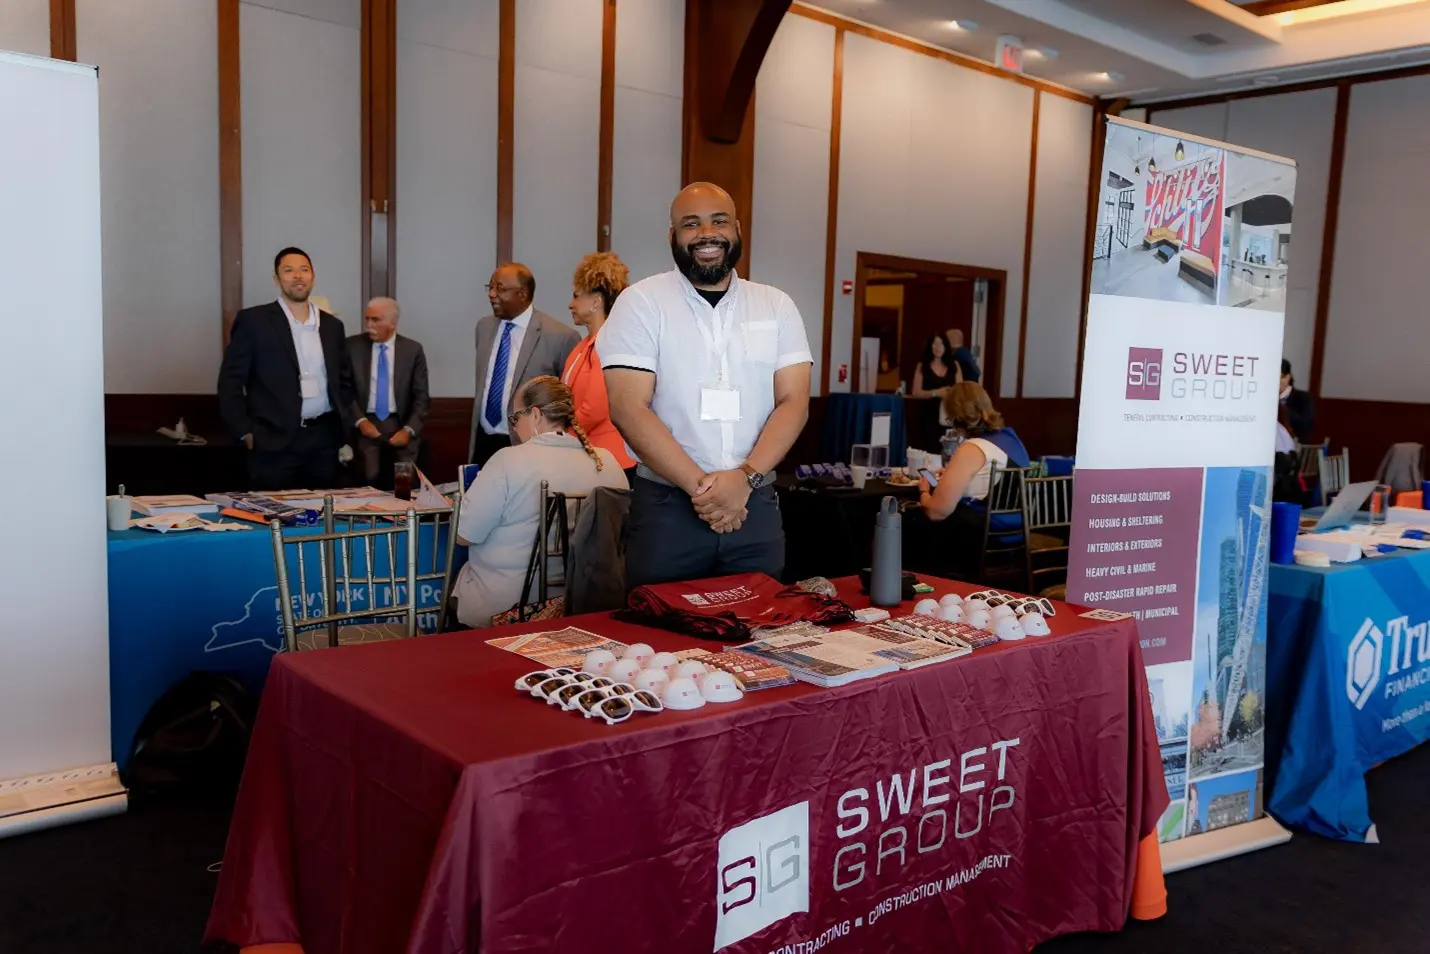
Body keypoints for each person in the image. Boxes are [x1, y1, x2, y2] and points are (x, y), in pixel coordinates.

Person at [603, 181, 812, 587]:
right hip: (668, 510)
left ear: (737, 229)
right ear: (672, 236)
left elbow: (793, 401)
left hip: (755, 507)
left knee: (758, 637)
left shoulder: (776, 305)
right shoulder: (641, 303)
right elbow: (628, 408)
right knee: (662, 642)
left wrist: (744, 479)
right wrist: (709, 492)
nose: (706, 234)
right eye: (690, 224)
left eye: (718, 221)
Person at [452, 376, 628, 627]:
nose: (513, 428)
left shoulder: (508, 460)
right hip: (587, 603)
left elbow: (463, 534)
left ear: (535, 414)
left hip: (508, 608)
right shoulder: (607, 461)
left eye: (515, 419)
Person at [218, 247, 357, 490]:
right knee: (276, 519)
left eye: (304, 270)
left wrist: (340, 424)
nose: (298, 276)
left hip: (323, 440)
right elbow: (230, 381)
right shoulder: (254, 321)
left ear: (313, 277)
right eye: (289, 270)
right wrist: (245, 431)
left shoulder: (332, 326)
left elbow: (344, 380)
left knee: (321, 520)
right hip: (272, 440)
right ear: (276, 279)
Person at [467, 263, 581, 467]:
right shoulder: (483, 327)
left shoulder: (560, 337)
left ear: (523, 294)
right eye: (490, 287)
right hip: (484, 441)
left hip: (529, 445)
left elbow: (568, 401)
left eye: (500, 288)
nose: (491, 294)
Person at [910, 382, 1030, 575]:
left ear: (956, 416)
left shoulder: (972, 448)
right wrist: (952, 475)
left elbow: (936, 511)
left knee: (909, 520)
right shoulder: (1011, 439)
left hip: (979, 537)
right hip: (1015, 532)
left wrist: (924, 490)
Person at [564, 251, 636, 475]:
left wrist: (560, 438)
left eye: (577, 296)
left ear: (596, 301)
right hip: (587, 457)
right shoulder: (583, 345)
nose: (570, 304)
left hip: (609, 462)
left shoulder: (610, 343)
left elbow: (595, 410)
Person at [346, 297, 430, 487]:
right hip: (366, 423)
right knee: (368, 481)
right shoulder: (352, 347)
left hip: (401, 423)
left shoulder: (412, 350)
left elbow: (421, 397)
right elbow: (345, 390)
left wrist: (409, 430)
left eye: (376, 320)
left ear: (393, 322)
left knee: (404, 485)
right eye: (367, 319)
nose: (369, 325)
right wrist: (360, 421)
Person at [911, 333, 957, 398]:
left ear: (945, 347)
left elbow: (960, 391)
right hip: (928, 406)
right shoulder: (922, 365)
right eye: (935, 344)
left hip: (949, 406)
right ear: (930, 346)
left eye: (941, 344)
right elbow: (915, 392)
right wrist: (936, 393)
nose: (938, 347)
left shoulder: (954, 365)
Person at [1280, 359, 1315, 443]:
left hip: (1296, 448)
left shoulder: (1303, 397)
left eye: (1281, 377)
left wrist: (1282, 408)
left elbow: (1306, 425)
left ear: (1288, 377)